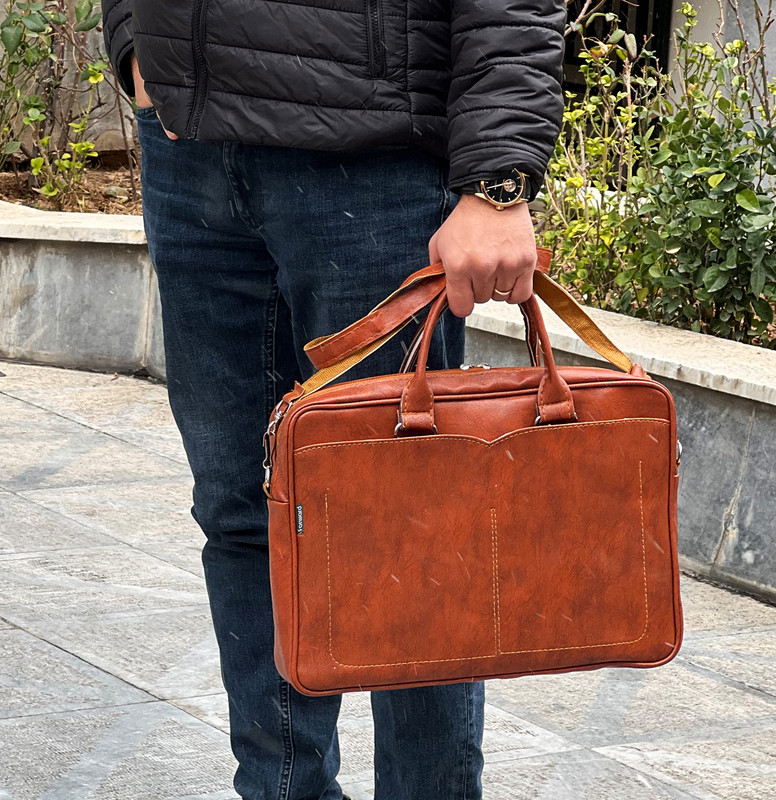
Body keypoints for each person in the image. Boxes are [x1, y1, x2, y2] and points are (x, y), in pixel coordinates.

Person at [101, 1, 566, 797]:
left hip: (372, 152)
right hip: (193, 152)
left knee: (412, 532)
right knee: (243, 513)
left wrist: (499, 180)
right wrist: (136, 48)